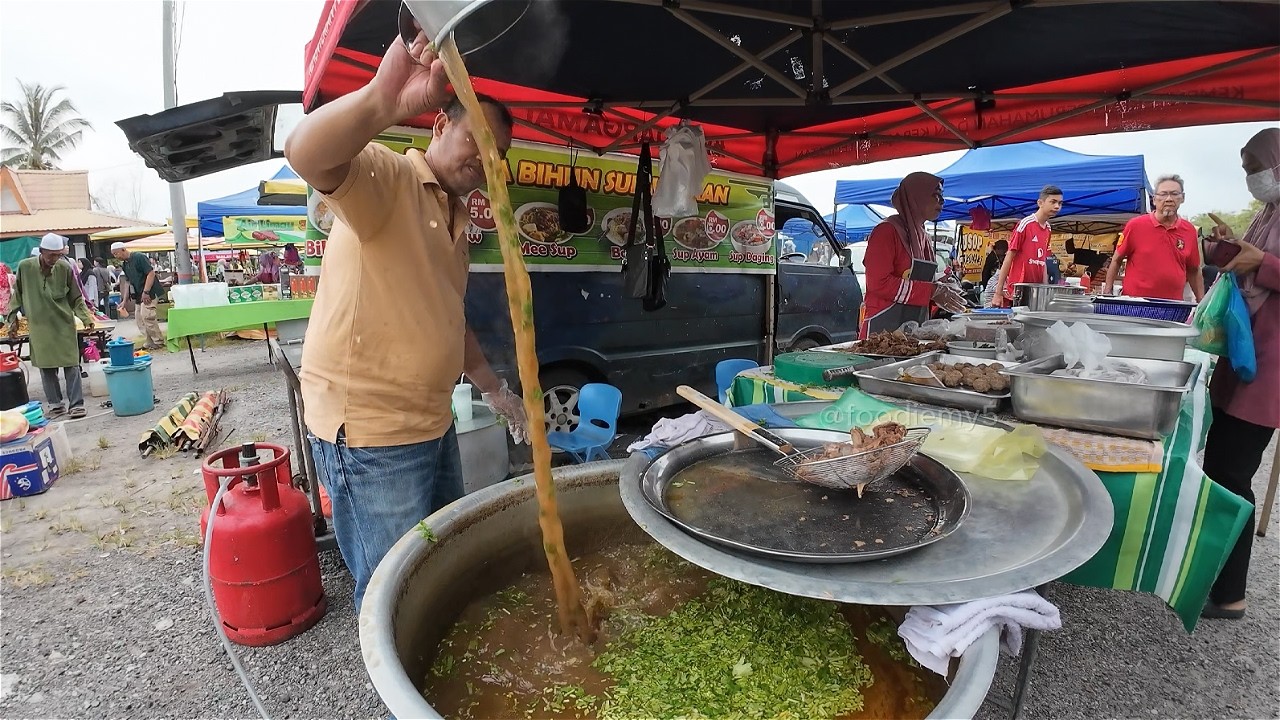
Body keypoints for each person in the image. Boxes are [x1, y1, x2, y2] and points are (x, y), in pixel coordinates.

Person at [285, 28, 529, 609]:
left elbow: (449, 315)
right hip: (373, 436)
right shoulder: (389, 180)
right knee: (392, 592)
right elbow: (305, 152)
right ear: (441, 126)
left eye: (498, 153)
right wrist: (380, 100)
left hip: (431, 422)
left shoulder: (457, 217)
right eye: (477, 138)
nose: (485, 158)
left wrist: (495, 391)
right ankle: (396, 695)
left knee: (436, 563)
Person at [1198, 128, 1280, 620]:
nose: (1252, 176)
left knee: (1231, 475)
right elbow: (1244, 269)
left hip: (1268, 373)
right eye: (1247, 168)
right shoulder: (1268, 214)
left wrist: (1263, 263)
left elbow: (1264, 268)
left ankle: (1231, 594)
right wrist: (1229, 248)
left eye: (1257, 165)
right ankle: (1220, 580)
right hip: (1242, 362)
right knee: (1220, 471)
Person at [861, 172, 966, 336]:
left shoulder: (922, 234)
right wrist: (932, 290)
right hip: (881, 332)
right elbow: (878, 284)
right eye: (936, 195)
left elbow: (913, 279)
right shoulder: (886, 231)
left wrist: (940, 283)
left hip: (913, 330)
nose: (942, 201)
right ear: (917, 197)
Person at [8, 234, 93, 419]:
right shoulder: (25, 267)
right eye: (51, 255)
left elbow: (76, 298)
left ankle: (76, 405)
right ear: (41, 251)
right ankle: (56, 405)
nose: (55, 259)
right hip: (39, 326)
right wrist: (12, 319)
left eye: (58, 255)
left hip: (63, 323)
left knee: (72, 365)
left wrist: (86, 318)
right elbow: (17, 296)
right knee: (46, 368)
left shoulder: (64, 267)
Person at [1103, 175, 1205, 301]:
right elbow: (1116, 260)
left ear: (1182, 198)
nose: (1168, 199)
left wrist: (1202, 302)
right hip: (1135, 304)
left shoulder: (1189, 231)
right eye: (1163, 194)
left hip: (1173, 306)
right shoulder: (1135, 226)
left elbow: (1194, 270)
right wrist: (1107, 292)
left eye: (1174, 194)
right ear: (1154, 199)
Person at [990, 185, 1062, 307]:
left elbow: (1042, 260)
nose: (1057, 206)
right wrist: (998, 292)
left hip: (1036, 292)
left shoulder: (1048, 228)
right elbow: (1009, 256)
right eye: (1053, 202)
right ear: (1040, 203)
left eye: (1060, 203)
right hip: (1018, 291)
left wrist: (1044, 289)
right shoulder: (1026, 224)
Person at [110, 242, 165, 350]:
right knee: (139, 318)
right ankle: (149, 341)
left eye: (116, 253)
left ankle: (158, 341)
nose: (116, 256)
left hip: (150, 291)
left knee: (147, 316)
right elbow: (127, 282)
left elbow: (151, 273)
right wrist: (124, 301)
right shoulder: (125, 264)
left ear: (123, 249)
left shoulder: (139, 257)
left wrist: (146, 292)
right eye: (114, 254)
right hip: (138, 293)